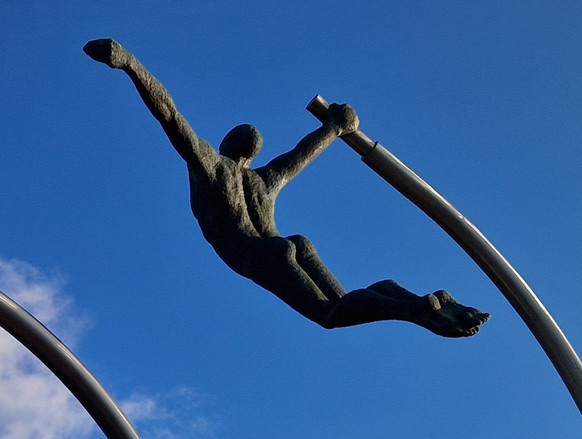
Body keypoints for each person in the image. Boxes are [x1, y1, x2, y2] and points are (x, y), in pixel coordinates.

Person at [84, 39, 489, 337]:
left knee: (332, 315)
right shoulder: (264, 179)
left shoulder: (210, 165)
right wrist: (335, 126)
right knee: (343, 301)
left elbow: (171, 116)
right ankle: (400, 296)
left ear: (226, 146)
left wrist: (130, 64)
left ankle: (419, 308)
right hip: (290, 242)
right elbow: (303, 152)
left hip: (258, 255)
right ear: (254, 153)